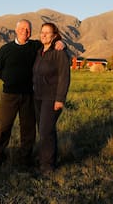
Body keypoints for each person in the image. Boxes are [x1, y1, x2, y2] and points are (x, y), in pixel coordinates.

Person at [0, 19, 64, 170]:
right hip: (9, 95)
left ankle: (25, 159)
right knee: (4, 127)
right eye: (22, 29)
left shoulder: (34, 46)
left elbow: (50, 42)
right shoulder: (6, 49)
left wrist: (62, 43)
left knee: (28, 129)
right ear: (16, 30)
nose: (25, 32)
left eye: (28, 29)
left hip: (29, 95)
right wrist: (8, 79)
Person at [33, 22, 70, 174]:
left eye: (48, 33)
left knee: (45, 131)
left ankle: (47, 167)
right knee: (46, 131)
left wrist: (60, 99)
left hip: (51, 97)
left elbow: (64, 77)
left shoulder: (59, 52)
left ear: (55, 36)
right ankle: (47, 160)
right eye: (42, 32)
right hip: (38, 97)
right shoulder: (39, 51)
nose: (44, 35)